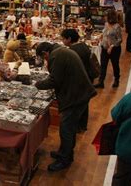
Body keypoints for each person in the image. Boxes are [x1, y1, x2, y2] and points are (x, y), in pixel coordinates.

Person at [35, 42, 96, 171]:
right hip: (78, 94)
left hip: (76, 97)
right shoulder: (61, 52)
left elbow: (54, 80)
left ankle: (64, 160)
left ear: (45, 53)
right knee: (69, 127)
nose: (45, 60)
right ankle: (64, 153)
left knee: (66, 129)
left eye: (43, 57)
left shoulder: (57, 56)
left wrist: (37, 84)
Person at [61, 29, 93, 132]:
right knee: (84, 104)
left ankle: (76, 127)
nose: (62, 41)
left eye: (63, 39)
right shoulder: (83, 46)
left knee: (76, 106)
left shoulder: (72, 51)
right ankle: (82, 125)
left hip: (79, 81)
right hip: (88, 79)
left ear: (69, 39)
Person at [96, 10, 122, 89]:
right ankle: (101, 82)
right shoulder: (106, 24)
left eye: (106, 16)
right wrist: (101, 37)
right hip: (104, 48)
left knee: (115, 65)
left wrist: (112, 46)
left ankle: (116, 80)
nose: (104, 17)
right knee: (103, 65)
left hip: (114, 50)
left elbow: (120, 39)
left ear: (110, 17)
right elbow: (105, 34)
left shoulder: (117, 26)